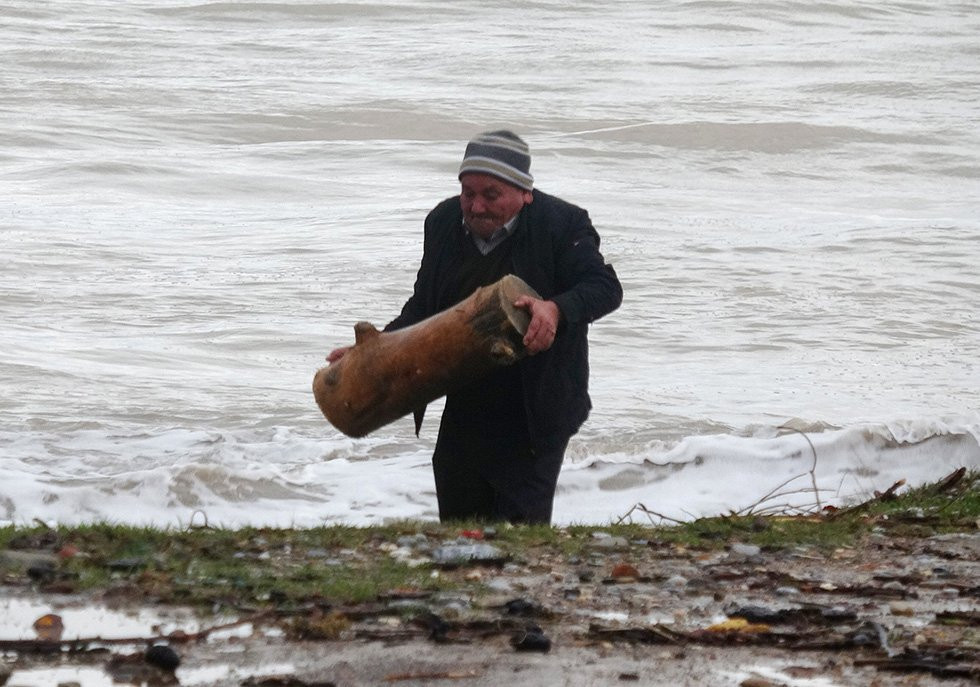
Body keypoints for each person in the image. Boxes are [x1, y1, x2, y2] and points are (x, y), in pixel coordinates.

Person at [328, 130, 622, 524]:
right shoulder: (443, 221)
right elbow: (424, 306)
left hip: (537, 403)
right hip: (465, 392)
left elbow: (604, 287)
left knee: (519, 526)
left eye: (491, 194)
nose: (476, 206)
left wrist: (555, 310)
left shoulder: (563, 224)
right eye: (468, 192)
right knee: (459, 517)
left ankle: (516, 584)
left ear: (524, 193)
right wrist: (371, 352)